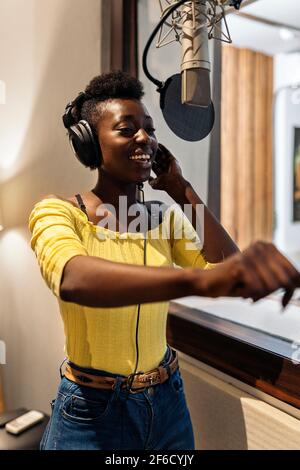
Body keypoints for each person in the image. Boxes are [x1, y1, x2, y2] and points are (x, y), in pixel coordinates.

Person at [28, 71, 300, 450]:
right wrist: (194, 282)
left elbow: (225, 267)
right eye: (126, 129)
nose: (145, 139)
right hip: (91, 413)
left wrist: (180, 188)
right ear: (90, 144)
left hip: (167, 403)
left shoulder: (162, 218)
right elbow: (74, 279)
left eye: (149, 130)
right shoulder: (57, 213)